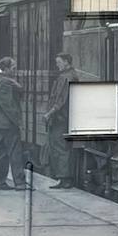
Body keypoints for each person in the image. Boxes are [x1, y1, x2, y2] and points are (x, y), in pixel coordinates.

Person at [44, 52, 78, 189]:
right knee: (61, 148)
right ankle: (63, 178)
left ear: (66, 62)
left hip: (60, 118)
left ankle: (64, 179)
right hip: (63, 118)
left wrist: (49, 113)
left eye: (59, 62)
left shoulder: (66, 77)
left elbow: (60, 100)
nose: (57, 65)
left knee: (60, 148)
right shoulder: (69, 75)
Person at [0, 57, 26, 191]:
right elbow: (8, 105)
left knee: (2, 154)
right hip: (9, 124)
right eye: (13, 68)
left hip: (1, 124)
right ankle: (20, 183)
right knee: (15, 153)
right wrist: (18, 121)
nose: (15, 70)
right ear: (6, 69)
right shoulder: (4, 83)